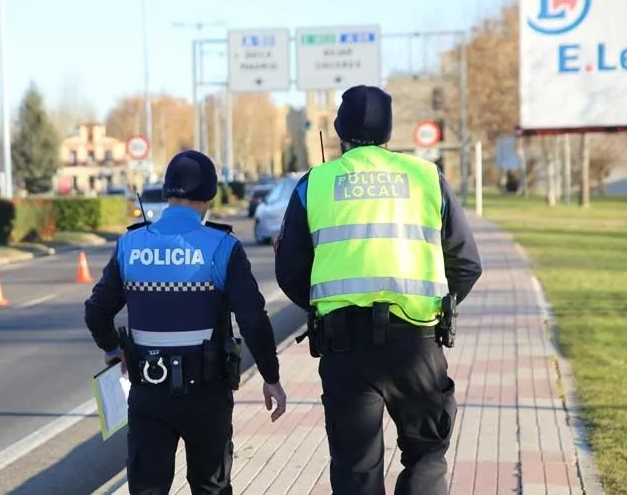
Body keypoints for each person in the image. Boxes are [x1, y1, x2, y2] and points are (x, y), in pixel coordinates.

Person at [275, 85, 483, 495]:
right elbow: (467, 264)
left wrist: (325, 305)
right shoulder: (426, 177)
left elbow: (290, 271)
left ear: (339, 133)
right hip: (417, 343)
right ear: (389, 133)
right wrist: (436, 303)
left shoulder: (314, 183)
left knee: (356, 466)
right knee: (426, 454)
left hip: (344, 347)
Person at [85, 150, 287, 495]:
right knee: (211, 487)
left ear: (167, 192)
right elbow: (253, 318)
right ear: (210, 195)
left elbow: (96, 311)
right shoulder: (222, 246)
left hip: (148, 390)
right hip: (207, 395)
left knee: (148, 489)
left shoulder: (131, 245)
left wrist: (113, 349)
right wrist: (271, 377)